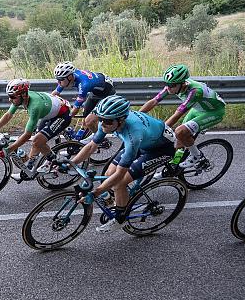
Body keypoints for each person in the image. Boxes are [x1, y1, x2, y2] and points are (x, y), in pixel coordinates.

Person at [68, 95, 176, 233]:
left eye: (107, 121)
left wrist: (95, 193)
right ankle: (121, 199)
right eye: (101, 119)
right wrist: (72, 162)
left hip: (162, 149)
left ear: (121, 120)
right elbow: (91, 147)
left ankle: (121, 218)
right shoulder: (107, 122)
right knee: (108, 174)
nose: (102, 124)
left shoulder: (134, 134)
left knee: (119, 182)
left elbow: (120, 174)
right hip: (145, 141)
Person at [139, 64, 226, 169]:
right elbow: (154, 101)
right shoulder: (173, 85)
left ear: (183, 84)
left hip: (214, 112)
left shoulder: (195, 91)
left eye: (172, 85)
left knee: (180, 132)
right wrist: (137, 115)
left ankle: (197, 156)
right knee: (177, 139)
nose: (169, 87)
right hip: (198, 109)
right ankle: (174, 167)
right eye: (167, 84)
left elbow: (178, 114)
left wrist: (160, 131)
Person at [0, 78, 72, 180]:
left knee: (37, 141)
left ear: (24, 95)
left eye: (12, 96)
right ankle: (29, 169)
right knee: (37, 140)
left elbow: (27, 135)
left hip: (63, 115)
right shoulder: (21, 97)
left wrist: (8, 150)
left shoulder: (34, 107)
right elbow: (8, 115)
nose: (10, 99)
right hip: (50, 112)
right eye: (9, 96)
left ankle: (55, 162)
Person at [51, 61, 115, 139]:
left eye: (60, 80)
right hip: (96, 91)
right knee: (85, 115)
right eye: (57, 79)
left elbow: (76, 108)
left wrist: (64, 119)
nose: (58, 82)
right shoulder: (67, 77)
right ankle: (84, 136)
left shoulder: (84, 84)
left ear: (70, 77)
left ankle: (99, 140)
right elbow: (55, 93)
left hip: (107, 93)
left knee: (89, 121)